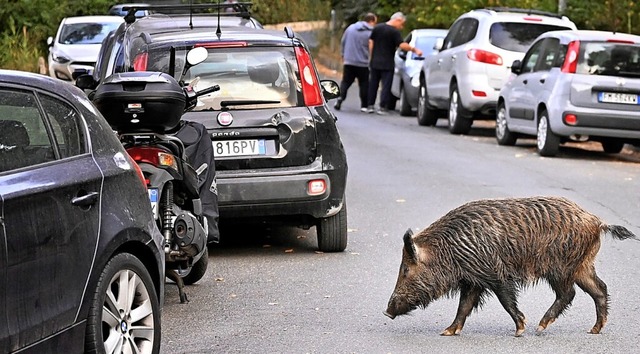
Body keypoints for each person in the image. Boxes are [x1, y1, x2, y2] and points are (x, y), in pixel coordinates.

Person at [366, 12, 423, 115]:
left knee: (373, 84)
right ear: (398, 20)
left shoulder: (377, 28)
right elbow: (402, 45)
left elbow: (371, 42)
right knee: (386, 85)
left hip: (375, 61)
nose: (402, 27)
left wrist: (371, 56)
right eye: (402, 24)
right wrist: (414, 50)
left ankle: (370, 105)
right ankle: (382, 107)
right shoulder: (394, 32)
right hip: (387, 63)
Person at [334, 12, 377, 112]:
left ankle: (340, 98)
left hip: (349, 61)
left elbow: (343, 41)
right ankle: (364, 106)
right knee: (364, 84)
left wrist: (343, 54)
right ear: (371, 21)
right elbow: (372, 47)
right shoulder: (371, 33)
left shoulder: (351, 28)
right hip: (363, 63)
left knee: (346, 82)